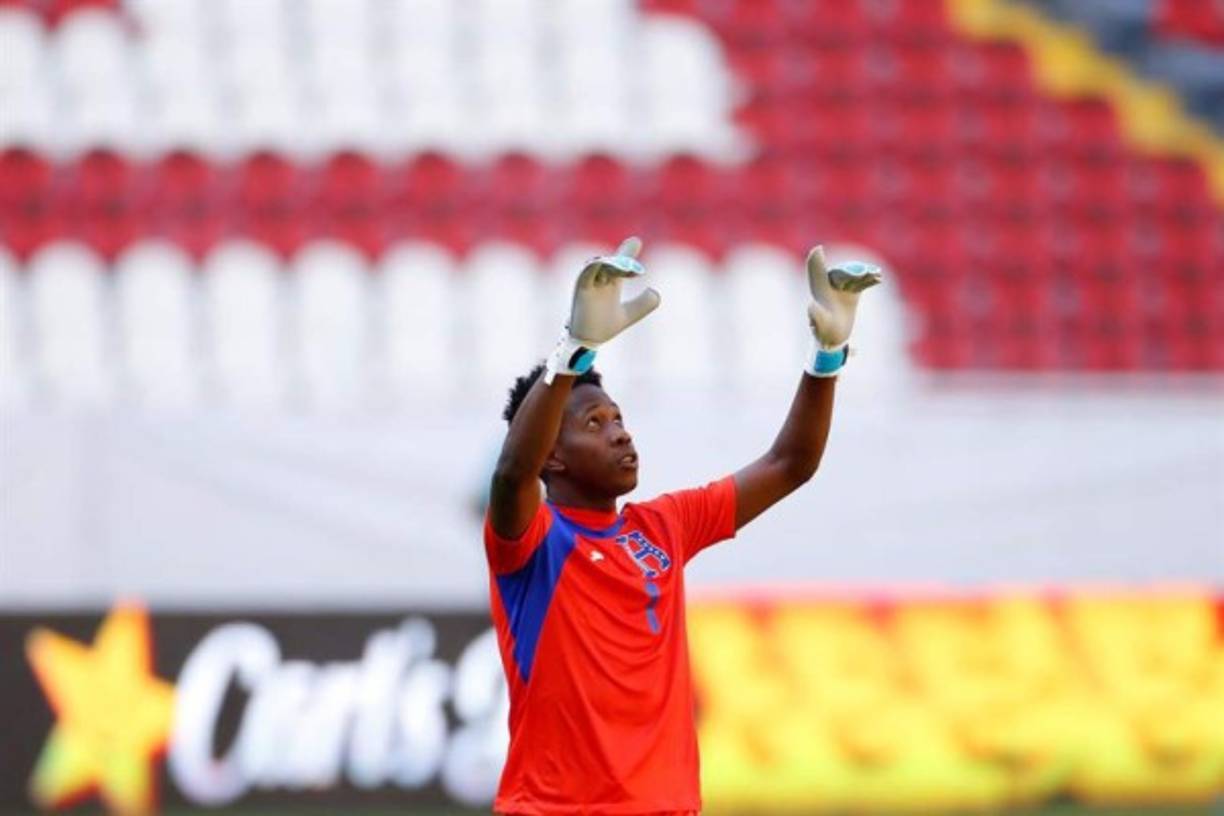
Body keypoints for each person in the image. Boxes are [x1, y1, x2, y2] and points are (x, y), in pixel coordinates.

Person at [484, 237, 880, 815]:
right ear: (552, 456)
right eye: (595, 423)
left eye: (619, 418)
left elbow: (789, 464)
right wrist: (573, 352)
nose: (621, 432)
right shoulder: (532, 543)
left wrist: (826, 358)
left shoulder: (663, 527)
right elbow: (511, 472)